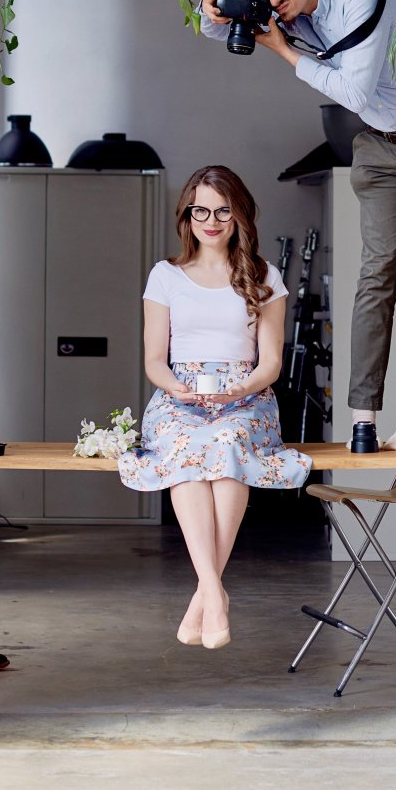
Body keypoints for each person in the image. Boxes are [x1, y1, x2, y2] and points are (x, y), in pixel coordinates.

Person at [199, 0, 396, 451]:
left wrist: (283, 50)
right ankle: (363, 420)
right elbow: (220, 28)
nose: (274, 2)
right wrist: (211, 6)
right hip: (380, 140)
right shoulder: (285, 7)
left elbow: (352, 89)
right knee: (375, 277)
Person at [117, 166, 311, 649]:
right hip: (179, 394)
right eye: (201, 209)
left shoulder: (264, 275)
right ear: (187, 215)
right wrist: (179, 390)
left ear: (239, 214)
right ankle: (214, 594)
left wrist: (238, 390)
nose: (212, 219)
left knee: (226, 448)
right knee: (187, 453)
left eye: (223, 210)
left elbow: (270, 363)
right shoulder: (165, 276)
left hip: (245, 395)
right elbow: (153, 361)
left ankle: (202, 598)